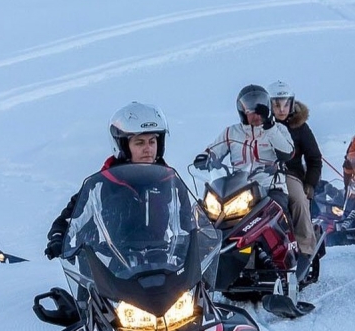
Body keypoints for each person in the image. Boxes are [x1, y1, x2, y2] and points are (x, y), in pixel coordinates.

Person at [45, 101, 171, 259]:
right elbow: (69, 220)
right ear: (123, 146)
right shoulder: (101, 185)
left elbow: (187, 225)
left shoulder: (169, 182)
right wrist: (59, 237)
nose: (148, 149)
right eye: (139, 142)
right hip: (109, 269)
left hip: (161, 266)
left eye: (152, 142)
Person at [193, 84, 294, 198]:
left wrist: (269, 127)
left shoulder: (278, 129)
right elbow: (214, 149)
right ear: (242, 112)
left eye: (259, 110)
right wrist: (205, 156)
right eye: (250, 111)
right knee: (210, 211)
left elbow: (288, 153)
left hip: (270, 186)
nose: (256, 115)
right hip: (239, 189)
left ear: (267, 109)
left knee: (278, 208)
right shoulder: (231, 132)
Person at [267, 79, 321, 272]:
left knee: (298, 200)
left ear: (292, 103)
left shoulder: (300, 128)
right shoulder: (260, 125)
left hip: (290, 174)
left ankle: (305, 249)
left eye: (285, 103)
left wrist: (310, 184)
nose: (281, 109)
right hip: (261, 176)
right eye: (276, 104)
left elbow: (314, 158)